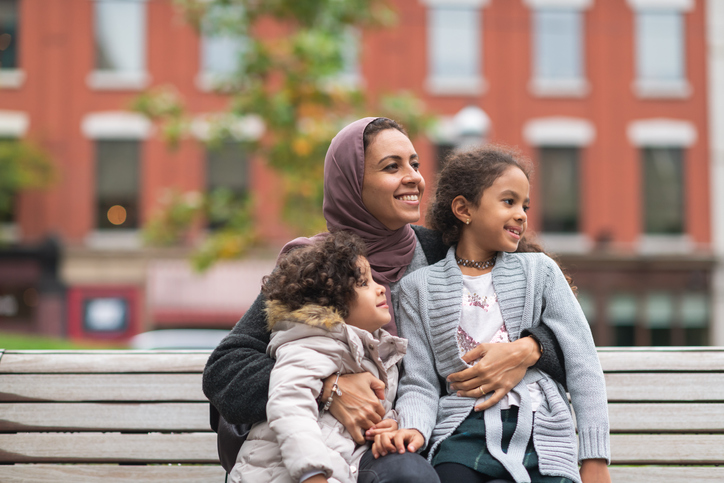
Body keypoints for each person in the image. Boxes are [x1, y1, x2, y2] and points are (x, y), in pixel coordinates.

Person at [203, 117, 568, 482]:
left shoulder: (445, 252)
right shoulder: (317, 266)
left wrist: (529, 349)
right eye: (392, 167)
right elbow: (226, 367)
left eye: (414, 164)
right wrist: (329, 388)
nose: (413, 177)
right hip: (317, 447)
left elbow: (565, 329)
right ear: (350, 183)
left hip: (425, 448)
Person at [372, 145, 611, 483]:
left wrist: (594, 457)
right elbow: (421, 381)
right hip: (461, 433)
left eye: (525, 205)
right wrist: (414, 428)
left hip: (542, 430)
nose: (522, 214)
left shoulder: (540, 272)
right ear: (463, 209)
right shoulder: (417, 288)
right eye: (508, 202)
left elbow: (582, 361)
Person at [231, 231, 411, 483]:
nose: (381, 289)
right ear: (332, 302)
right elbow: (289, 407)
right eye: (364, 283)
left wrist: (389, 424)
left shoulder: (375, 350)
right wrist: (311, 472)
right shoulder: (310, 345)